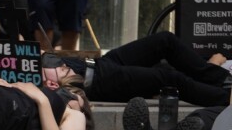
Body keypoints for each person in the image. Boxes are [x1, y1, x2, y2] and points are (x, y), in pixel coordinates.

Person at [54, 32, 232, 108]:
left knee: (165, 40)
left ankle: (223, 79)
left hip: (97, 64)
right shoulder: (30, 73)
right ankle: (226, 98)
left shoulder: (30, 55)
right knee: (168, 78)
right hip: (95, 83)